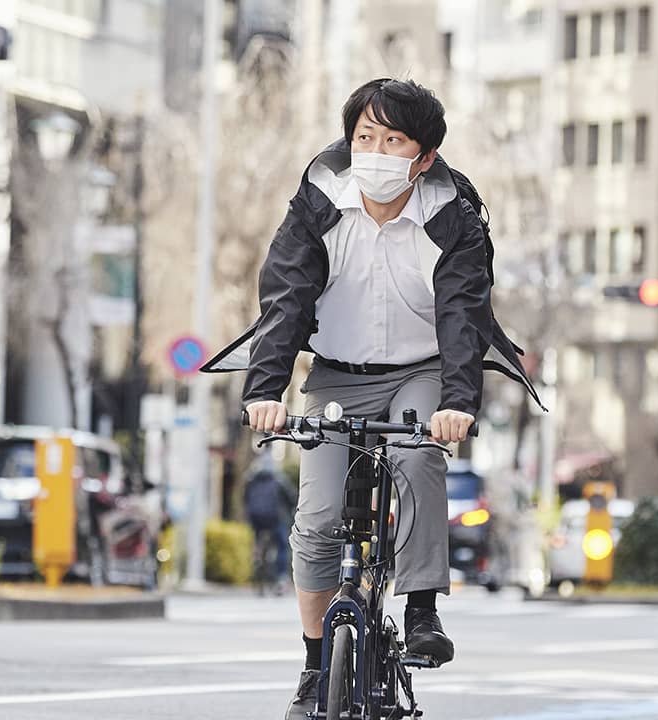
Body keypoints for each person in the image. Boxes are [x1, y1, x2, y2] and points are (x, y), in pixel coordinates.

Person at [201, 78, 543, 720]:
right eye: (365, 137)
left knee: (418, 461)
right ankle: (311, 668)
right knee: (317, 519)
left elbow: (464, 316)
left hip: (422, 370)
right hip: (336, 372)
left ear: (424, 159)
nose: (376, 151)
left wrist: (458, 404)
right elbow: (284, 300)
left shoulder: (453, 220)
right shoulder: (317, 204)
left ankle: (420, 611)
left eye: (394, 140)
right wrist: (266, 391)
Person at [242, 452, 296, 594]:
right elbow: (291, 498)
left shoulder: (251, 479)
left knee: (258, 539)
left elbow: (245, 499)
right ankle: (281, 578)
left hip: (256, 519)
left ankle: (257, 556)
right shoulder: (279, 479)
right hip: (275, 519)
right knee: (282, 546)